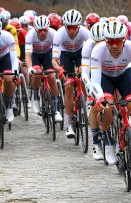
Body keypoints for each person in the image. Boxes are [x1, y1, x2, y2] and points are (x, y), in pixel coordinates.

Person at [91, 21, 131, 176]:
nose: (114, 46)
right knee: (108, 107)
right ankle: (109, 143)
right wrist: (99, 98)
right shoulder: (98, 51)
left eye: (118, 41)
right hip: (105, 77)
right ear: (106, 41)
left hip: (125, 74)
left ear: (124, 40)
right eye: (110, 41)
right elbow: (95, 81)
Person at [52, 9, 90, 138]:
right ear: (65, 26)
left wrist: (85, 67)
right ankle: (69, 123)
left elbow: (92, 53)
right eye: (69, 27)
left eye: (74, 27)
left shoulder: (85, 32)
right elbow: (54, 60)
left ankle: (85, 103)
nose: (71, 31)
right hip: (65, 55)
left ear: (79, 26)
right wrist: (59, 69)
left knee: (83, 78)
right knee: (68, 85)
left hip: (80, 53)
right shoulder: (59, 34)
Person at [25, 15, 61, 123]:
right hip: (35, 55)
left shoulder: (54, 34)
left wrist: (59, 66)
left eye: (45, 30)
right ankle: (35, 96)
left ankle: (56, 110)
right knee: (37, 73)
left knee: (52, 76)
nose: (42, 33)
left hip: (48, 54)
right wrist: (30, 67)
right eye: (39, 30)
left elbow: (57, 53)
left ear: (48, 28)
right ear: (35, 29)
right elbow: (28, 55)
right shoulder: (30, 35)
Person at [80, 22, 106, 160]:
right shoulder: (88, 46)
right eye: (97, 42)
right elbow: (85, 72)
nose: (99, 45)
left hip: (109, 72)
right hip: (92, 73)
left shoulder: (113, 43)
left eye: (102, 41)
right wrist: (89, 86)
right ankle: (96, 143)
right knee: (94, 106)